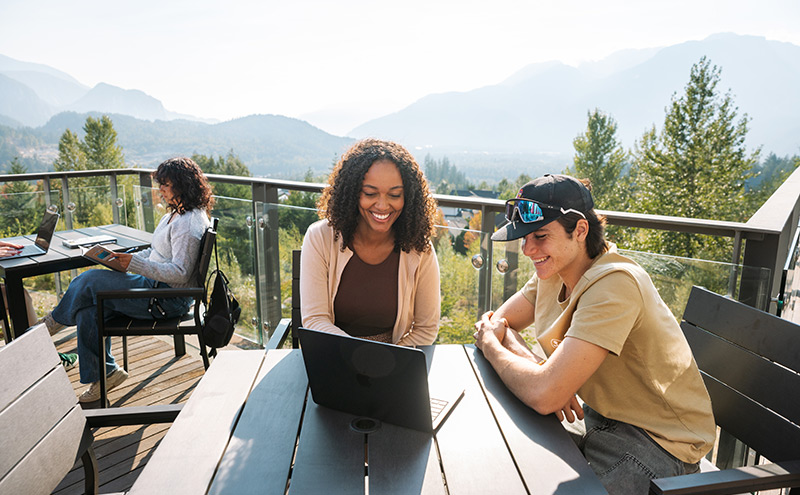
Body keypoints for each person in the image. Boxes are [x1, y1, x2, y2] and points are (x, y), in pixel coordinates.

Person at [472, 174, 715, 494]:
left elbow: (498, 341)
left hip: (659, 446)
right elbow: (500, 323)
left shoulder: (614, 284)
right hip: (597, 420)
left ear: (581, 230)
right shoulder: (554, 269)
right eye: (525, 237)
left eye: (541, 236)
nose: (529, 249)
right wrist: (544, 373)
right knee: (499, 457)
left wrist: (501, 351)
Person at [30, 157, 214, 403]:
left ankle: (48, 327)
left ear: (183, 185)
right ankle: (106, 373)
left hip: (165, 299)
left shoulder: (189, 223)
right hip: (153, 286)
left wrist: (133, 265)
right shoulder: (175, 215)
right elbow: (156, 253)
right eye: (161, 184)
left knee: (89, 281)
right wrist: (126, 259)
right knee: (88, 309)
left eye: (166, 185)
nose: (160, 189)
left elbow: (180, 273)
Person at [301, 138, 440, 345]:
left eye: (395, 194)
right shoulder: (319, 237)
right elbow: (315, 319)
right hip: (332, 354)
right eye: (370, 193)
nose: (382, 205)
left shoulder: (419, 248)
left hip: (394, 362)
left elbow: (426, 329)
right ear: (352, 192)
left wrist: (388, 361)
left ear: (408, 196)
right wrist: (357, 358)